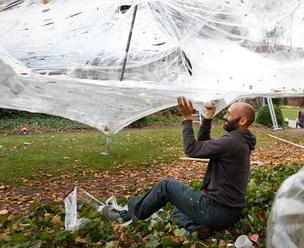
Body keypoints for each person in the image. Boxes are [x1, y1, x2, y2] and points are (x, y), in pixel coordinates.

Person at [102, 96, 257, 239]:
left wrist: (187, 118)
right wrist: (208, 119)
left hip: (215, 210)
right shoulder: (241, 141)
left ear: (242, 120)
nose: (224, 116)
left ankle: (129, 215)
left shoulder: (232, 142)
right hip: (228, 214)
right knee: (178, 207)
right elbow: (204, 147)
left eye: (229, 114)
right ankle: (197, 228)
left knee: (166, 186)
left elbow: (192, 150)